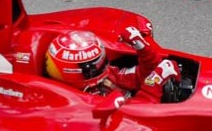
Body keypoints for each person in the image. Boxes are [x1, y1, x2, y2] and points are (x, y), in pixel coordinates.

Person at [44, 27, 181, 104]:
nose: (102, 65)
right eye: (95, 64)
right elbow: (135, 118)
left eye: (100, 60)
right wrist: (154, 83)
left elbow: (139, 77)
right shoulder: (89, 101)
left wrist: (143, 49)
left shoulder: (104, 76)